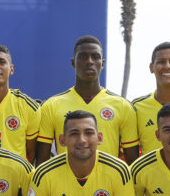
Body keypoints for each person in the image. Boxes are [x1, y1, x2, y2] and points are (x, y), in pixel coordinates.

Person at [36, 36, 138, 165]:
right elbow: (42, 162)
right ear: (73, 63)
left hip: (109, 183)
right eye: (83, 57)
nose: (89, 62)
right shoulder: (52, 105)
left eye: (95, 57)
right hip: (65, 183)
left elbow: (133, 164)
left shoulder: (122, 106)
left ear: (102, 63)